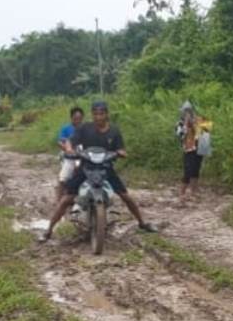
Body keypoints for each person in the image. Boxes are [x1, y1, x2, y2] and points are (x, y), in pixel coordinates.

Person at [40, 101, 155, 241]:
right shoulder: (85, 128)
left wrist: (120, 153)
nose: (98, 117)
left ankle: (142, 223)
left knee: (125, 196)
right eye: (95, 114)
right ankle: (49, 230)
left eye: (101, 114)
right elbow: (70, 140)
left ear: (107, 114)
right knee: (66, 199)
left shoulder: (114, 131)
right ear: (92, 115)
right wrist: (69, 148)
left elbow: (121, 149)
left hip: (106, 168)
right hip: (86, 167)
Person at [175, 101, 212, 201]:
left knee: (196, 170)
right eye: (185, 111)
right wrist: (186, 125)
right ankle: (182, 192)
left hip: (198, 148)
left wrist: (195, 123)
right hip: (188, 149)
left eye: (189, 111)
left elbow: (206, 132)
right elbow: (180, 134)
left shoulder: (200, 120)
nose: (187, 113)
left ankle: (193, 192)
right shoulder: (180, 122)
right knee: (188, 170)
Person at [56, 106, 85, 200]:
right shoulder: (66, 129)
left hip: (83, 155)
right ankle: (58, 199)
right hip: (69, 155)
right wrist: (67, 149)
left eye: (80, 118)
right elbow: (60, 141)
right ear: (71, 118)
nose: (78, 121)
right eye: (75, 118)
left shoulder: (86, 129)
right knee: (63, 178)